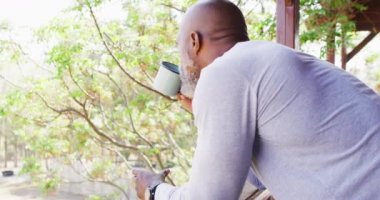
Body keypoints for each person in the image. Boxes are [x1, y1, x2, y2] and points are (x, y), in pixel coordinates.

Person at [133, 0, 380, 199]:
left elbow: (210, 197)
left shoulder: (223, 71)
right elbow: (265, 176)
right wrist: (205, 116)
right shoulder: (267, 58)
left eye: (180, 47)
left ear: (194, 41)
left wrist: (153, 190)